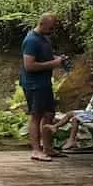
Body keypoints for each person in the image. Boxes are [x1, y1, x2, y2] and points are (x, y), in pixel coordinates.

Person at [20, 13, 65, 162]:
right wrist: (54, 64)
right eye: (51, 27)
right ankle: (35, 150)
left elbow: (46, 57)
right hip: (33, 84)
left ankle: (47, 148)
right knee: (36, 115)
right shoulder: (31, 40)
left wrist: (59, 59)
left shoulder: (45, 38)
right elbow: (29, 65)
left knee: (49, 114)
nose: (52, 30)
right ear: (42, 24)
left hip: (45, 83)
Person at [52, 72, 93, 149]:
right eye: (92, 87)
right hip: (90, 113)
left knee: (76, 119)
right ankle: (55, 126)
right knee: (70, 113)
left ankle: (71, 140)